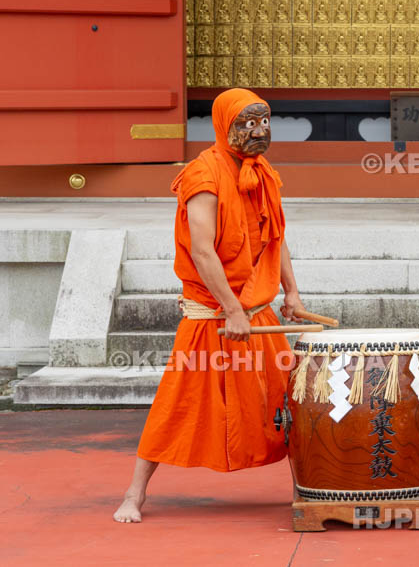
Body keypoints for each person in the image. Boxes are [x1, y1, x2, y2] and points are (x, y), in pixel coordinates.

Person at [114, 88, 308, 523]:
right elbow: (202, 251)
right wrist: (232, 310)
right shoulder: (203, 174)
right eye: (248, 124)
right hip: (212, 315)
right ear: (225, 126)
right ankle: (134, 493)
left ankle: (305, 485)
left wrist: (291, 293)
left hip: (256, 311)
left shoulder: (263, 173)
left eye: (264, 122)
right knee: (177, 404)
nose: (259, 131)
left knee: (285, 401)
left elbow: (277, 238)